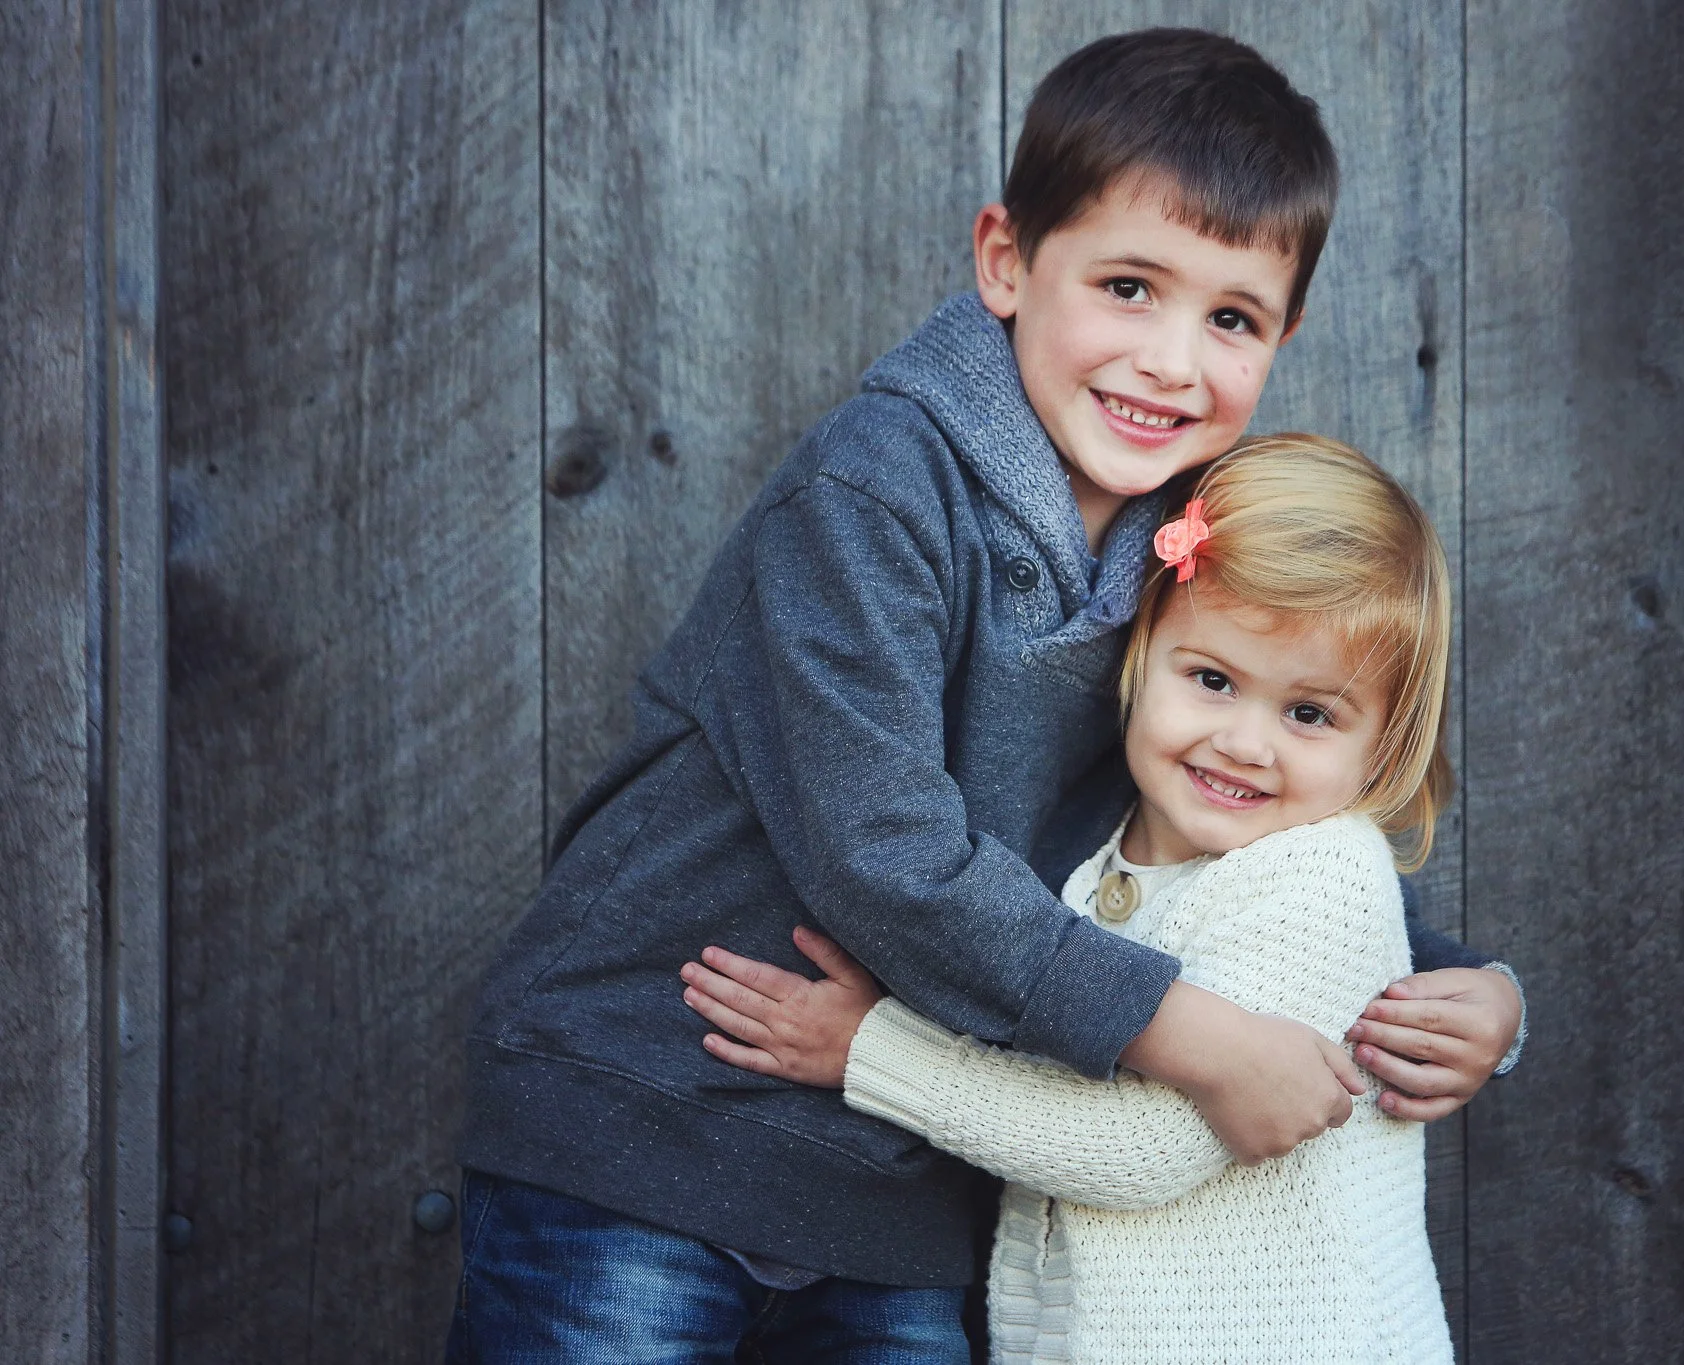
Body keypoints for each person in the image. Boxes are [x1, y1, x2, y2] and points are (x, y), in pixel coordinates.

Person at [448, 29, 1521, 1364]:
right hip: (650, 1117)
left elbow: (1251, 826)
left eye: (1230, 318)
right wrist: (1186, 1031)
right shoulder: (878, 487)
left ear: (1284, 333)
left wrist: (1453, 989)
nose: (1173, 362)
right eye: (1129, 286)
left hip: (904, 1187)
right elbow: (879, 849)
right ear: (1007, 261)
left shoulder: (1202, 545)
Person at [682, 435, 1463, 1362]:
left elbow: (1141, 1150)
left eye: (1309, 714)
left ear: (1384, 741)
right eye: (1211, 680)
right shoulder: (1095, 858)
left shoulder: (1321, 872)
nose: (1246, 742)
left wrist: (872, 1049)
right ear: (1142, 656)